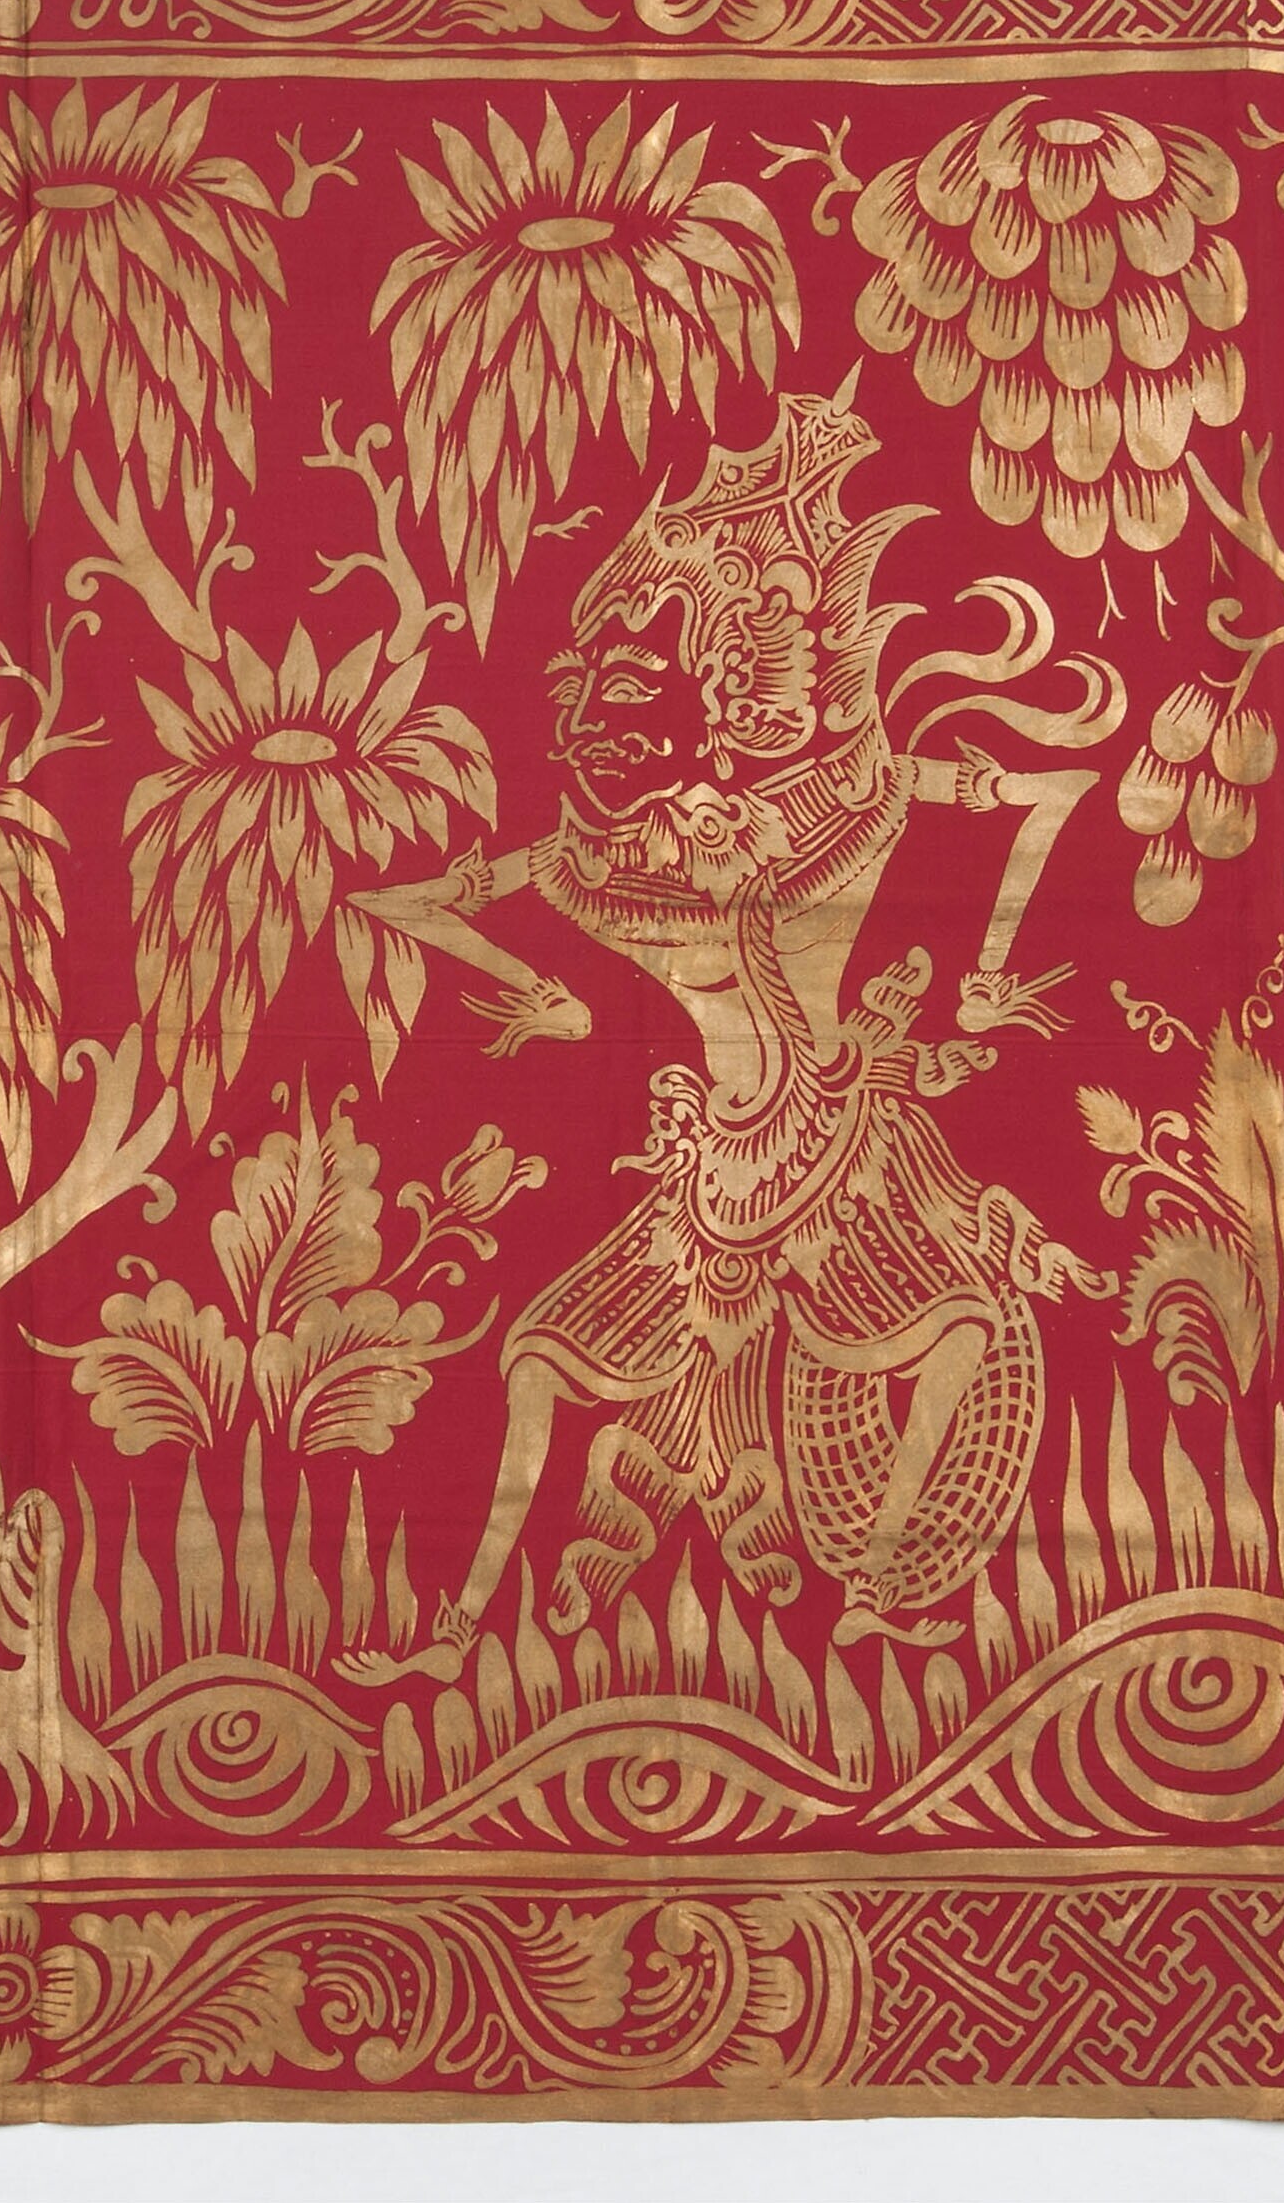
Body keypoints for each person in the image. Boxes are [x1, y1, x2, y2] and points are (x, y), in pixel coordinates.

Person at [335, 390, 1110, 1678]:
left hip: (831, 1148)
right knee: (535, 1365)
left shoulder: (840, 809)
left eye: (629, 693)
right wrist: (543, 993)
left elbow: (1053, 786)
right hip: (708, 1174)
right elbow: (395, 902)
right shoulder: (593, 864)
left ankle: (873, 1588)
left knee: (961, 1334)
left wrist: (983, 976)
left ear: (727, 699)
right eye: (581, 698)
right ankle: (453, 1641)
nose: (588, 729)